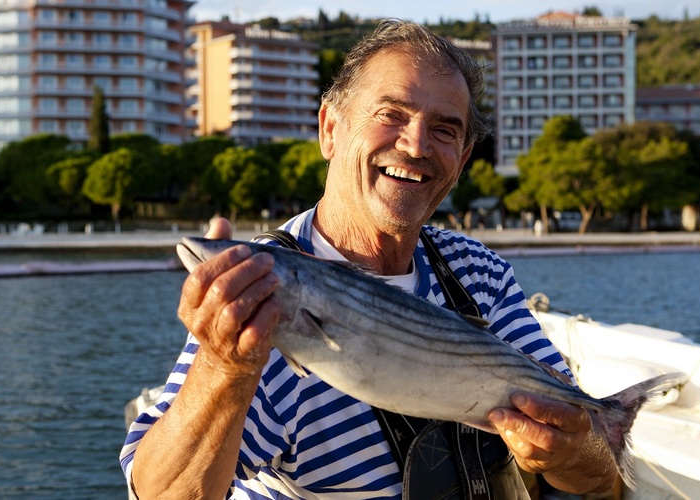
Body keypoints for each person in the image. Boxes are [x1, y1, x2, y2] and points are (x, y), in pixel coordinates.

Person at [120, 19, 617, 499]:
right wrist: (225, 367)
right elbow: (162, 494)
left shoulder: (476, 270)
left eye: (444, 130)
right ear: (329, 129)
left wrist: (565, 452)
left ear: (462, 160)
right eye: (391, 115)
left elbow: (596, 473)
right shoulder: (256, 295)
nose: (416, 145)